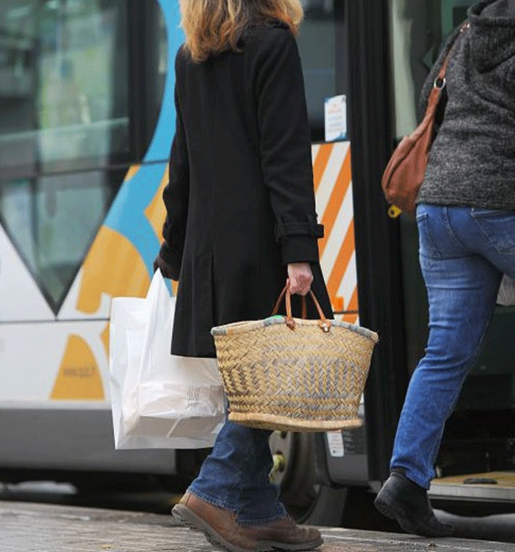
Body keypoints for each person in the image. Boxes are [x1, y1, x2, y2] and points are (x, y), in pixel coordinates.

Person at [374, 0, 515, 538]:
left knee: (446, 348)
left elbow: (431, 103)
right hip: (506, 204)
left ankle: (405, 477)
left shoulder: (465, 32)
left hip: (439, 208)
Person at [153, 1, 332, 550]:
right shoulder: (272, 42)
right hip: (260, 243)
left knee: (250, 378)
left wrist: (175, 248)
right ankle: (214, 488)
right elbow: (284, 154)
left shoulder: (190, 57)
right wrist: (298, 250)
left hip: (210, 249)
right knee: (269, 378)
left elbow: (180, 162)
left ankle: (257, 510)